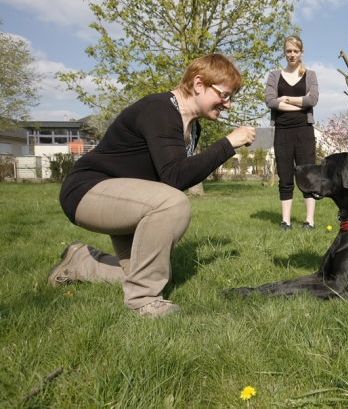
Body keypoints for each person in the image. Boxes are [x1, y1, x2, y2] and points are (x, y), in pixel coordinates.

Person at [50, 53, 256, 318]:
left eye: (230, 98)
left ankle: (79, 263)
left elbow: (175, 175)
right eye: (224, 95)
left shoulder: (191, 128)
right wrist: (228, 144)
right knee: (172, 203)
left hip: (127, 196)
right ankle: (144, 300)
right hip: (88, 190)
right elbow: (174, 178)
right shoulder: (160, 109)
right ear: (198, 84)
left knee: (146, 272)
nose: (227, 105)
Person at [265, 35, 319, 230]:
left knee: (307, 175)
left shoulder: (310, 75)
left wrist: (286, 99)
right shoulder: (274, 76)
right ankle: (285, 222)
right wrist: (299, 103)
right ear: (284, 52)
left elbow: (312, 100)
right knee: (285, 176)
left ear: (301, 52)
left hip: (304, 131)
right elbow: (271, 101)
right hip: (282, 132)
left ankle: (309, 221)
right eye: (289, 51)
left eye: (296, 51)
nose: (292, 54)